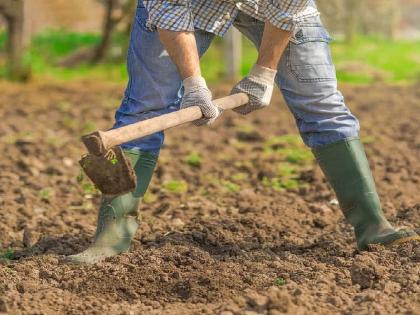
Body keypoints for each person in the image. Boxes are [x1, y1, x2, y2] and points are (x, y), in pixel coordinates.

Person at [66, 0, 419, 264]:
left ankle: (373, 227)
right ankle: (111, 240)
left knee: (321, 104)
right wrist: (194, 83)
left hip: (273, 5)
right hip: (188, 7)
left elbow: (287, 9)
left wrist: (265, 73)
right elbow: (169, 11)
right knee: (144, 105)